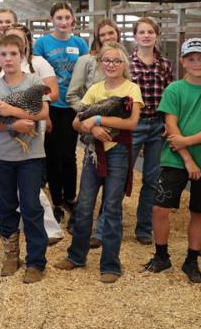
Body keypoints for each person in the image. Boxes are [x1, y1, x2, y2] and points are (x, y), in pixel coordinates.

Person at [145, 38, 201, 284]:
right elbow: (170, 124)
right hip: (175, 158)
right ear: (183, 62)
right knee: (160, 208)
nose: (197, 63)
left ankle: (192, 260)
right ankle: (162, 256)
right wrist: (186, 157)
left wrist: (187, 142)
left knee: (200, 211)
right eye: (191, 59)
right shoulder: (174, 90)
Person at [55, 41, 142, 283]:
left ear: (124, 64)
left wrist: (99, 119)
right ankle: (76, 256)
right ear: (100, 63)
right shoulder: (95, 88)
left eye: (116, 60)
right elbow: (76, 122)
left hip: (118, 152)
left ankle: (111, 264)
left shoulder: (131, 89)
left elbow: (132, 123)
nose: (111, 64)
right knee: (84, 206)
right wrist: (92, 130)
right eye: (106, 60)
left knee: (112, 208)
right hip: (94, 151)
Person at [0, 34, 51, 283]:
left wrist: (11, 111)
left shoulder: (34, 81)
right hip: (1, 156)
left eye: (13, 54)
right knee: (6, 204)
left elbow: (43, 112)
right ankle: (11, 253)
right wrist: (13, 126)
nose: (8, 59)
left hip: (31, 155)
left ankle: (36, 261)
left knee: (31, 205)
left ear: (22, 56)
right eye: (3, 54)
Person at [66, 18, 120, 244]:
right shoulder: (86, 61)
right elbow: (72, 94)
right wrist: (89, 116)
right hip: (92, 128)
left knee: (113, 185)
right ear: (97, 38)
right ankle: (79, 222)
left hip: (117, 130)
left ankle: (101, 230)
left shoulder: (122, 62)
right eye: (103, 34)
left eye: (111, 33)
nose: (108, 37)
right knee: (90, 181)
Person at [33, 2, 88, 223]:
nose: (63, 22)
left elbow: (87, 71)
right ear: (51, 20)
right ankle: (56, 200)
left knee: (70, 154)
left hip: (72, 105)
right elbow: (36, 73)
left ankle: (70, 197)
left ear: (72, 21)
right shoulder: (43, 43)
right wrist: (43, 110)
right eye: (59, 18)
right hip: (52, 105)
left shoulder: (80, 43)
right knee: (53, 155)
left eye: (67, 18)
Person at [129, 17, 173, 244]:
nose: (146, 35)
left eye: (150, 32)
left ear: (156, 35)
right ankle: (107, 225)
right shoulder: (127, 63)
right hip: (133, 125)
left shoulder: (164, 64)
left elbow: (170, 96)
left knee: (152, 179)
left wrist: (168, 122)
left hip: (157, 125)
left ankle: (144, 228)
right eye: (142, 32)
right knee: (121, 175)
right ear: (135, 36)